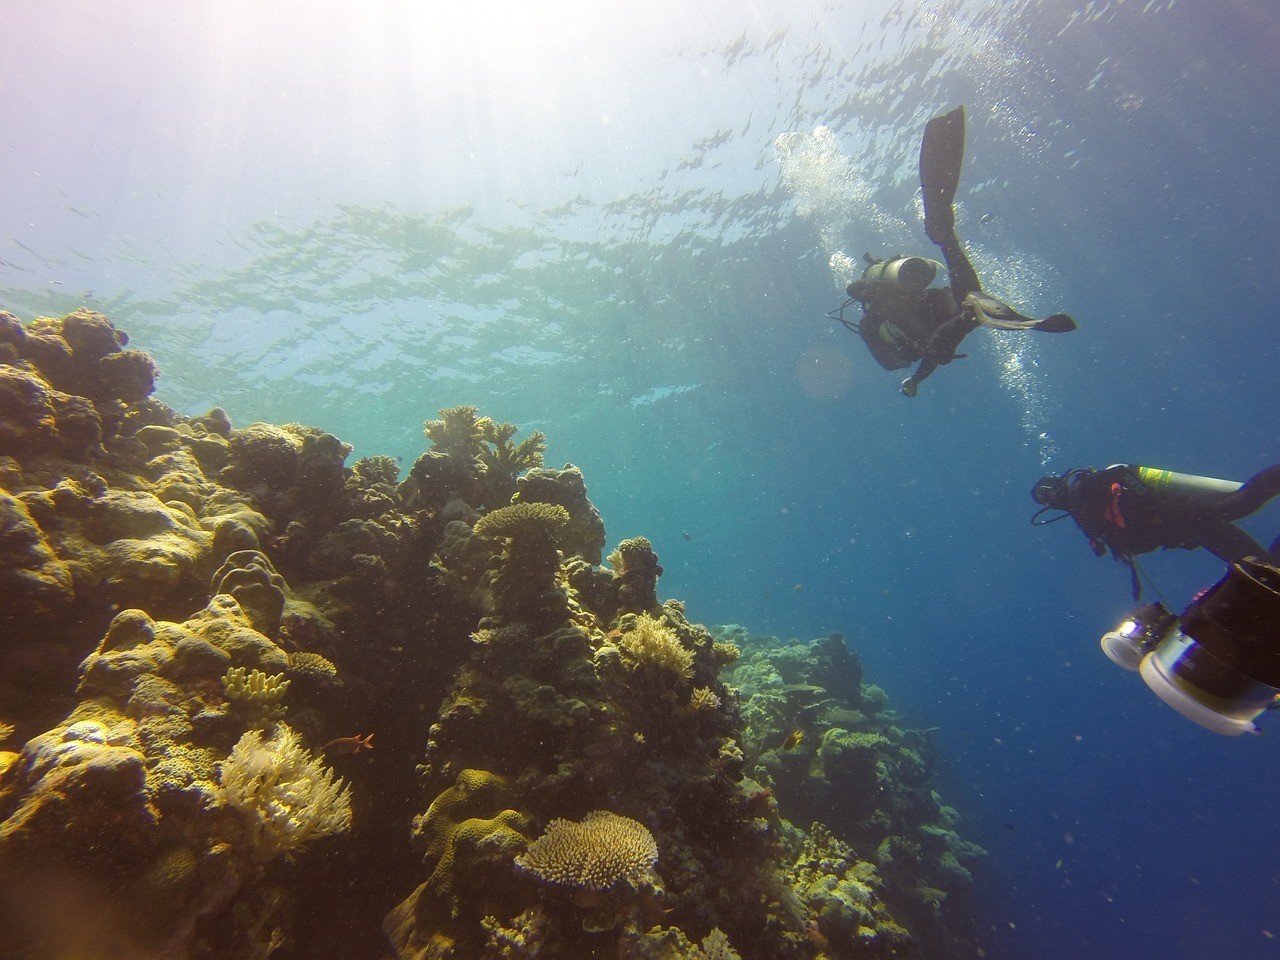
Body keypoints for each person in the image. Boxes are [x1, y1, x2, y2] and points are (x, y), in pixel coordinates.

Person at [840, 106, 1076, 397]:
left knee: (951, 328)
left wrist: (915, 380)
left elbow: (922, 353)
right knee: (961, 306)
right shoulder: (882, 314)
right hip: (930, 311)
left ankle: (950, 253)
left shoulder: (877, 321)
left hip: (928, 323)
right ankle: (945, 237)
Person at [1031, 463, 1280, 595]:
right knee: (1262, 568)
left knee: (1242, 502)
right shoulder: (1082, 518)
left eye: (1048, 494)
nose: (1051, 499)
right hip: (1189, 530)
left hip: (1179, 511)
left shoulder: (1083, 488)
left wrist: (1148, 505)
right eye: (1046, 500)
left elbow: (1120, 473)